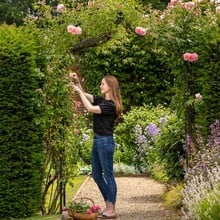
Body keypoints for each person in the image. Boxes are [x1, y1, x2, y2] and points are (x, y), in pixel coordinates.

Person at [69, 72, 123, 219]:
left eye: (102, 84)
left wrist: (79, 92)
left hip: (105, 142)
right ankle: (108, 205)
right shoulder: (101, 100)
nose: (100, 86)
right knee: (97, 175)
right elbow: (88, 97)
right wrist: (77, 82)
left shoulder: (110, 105)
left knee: (108, 175)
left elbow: (91, 109)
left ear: (110, 87)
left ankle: (111, 208)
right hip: (97, 140)